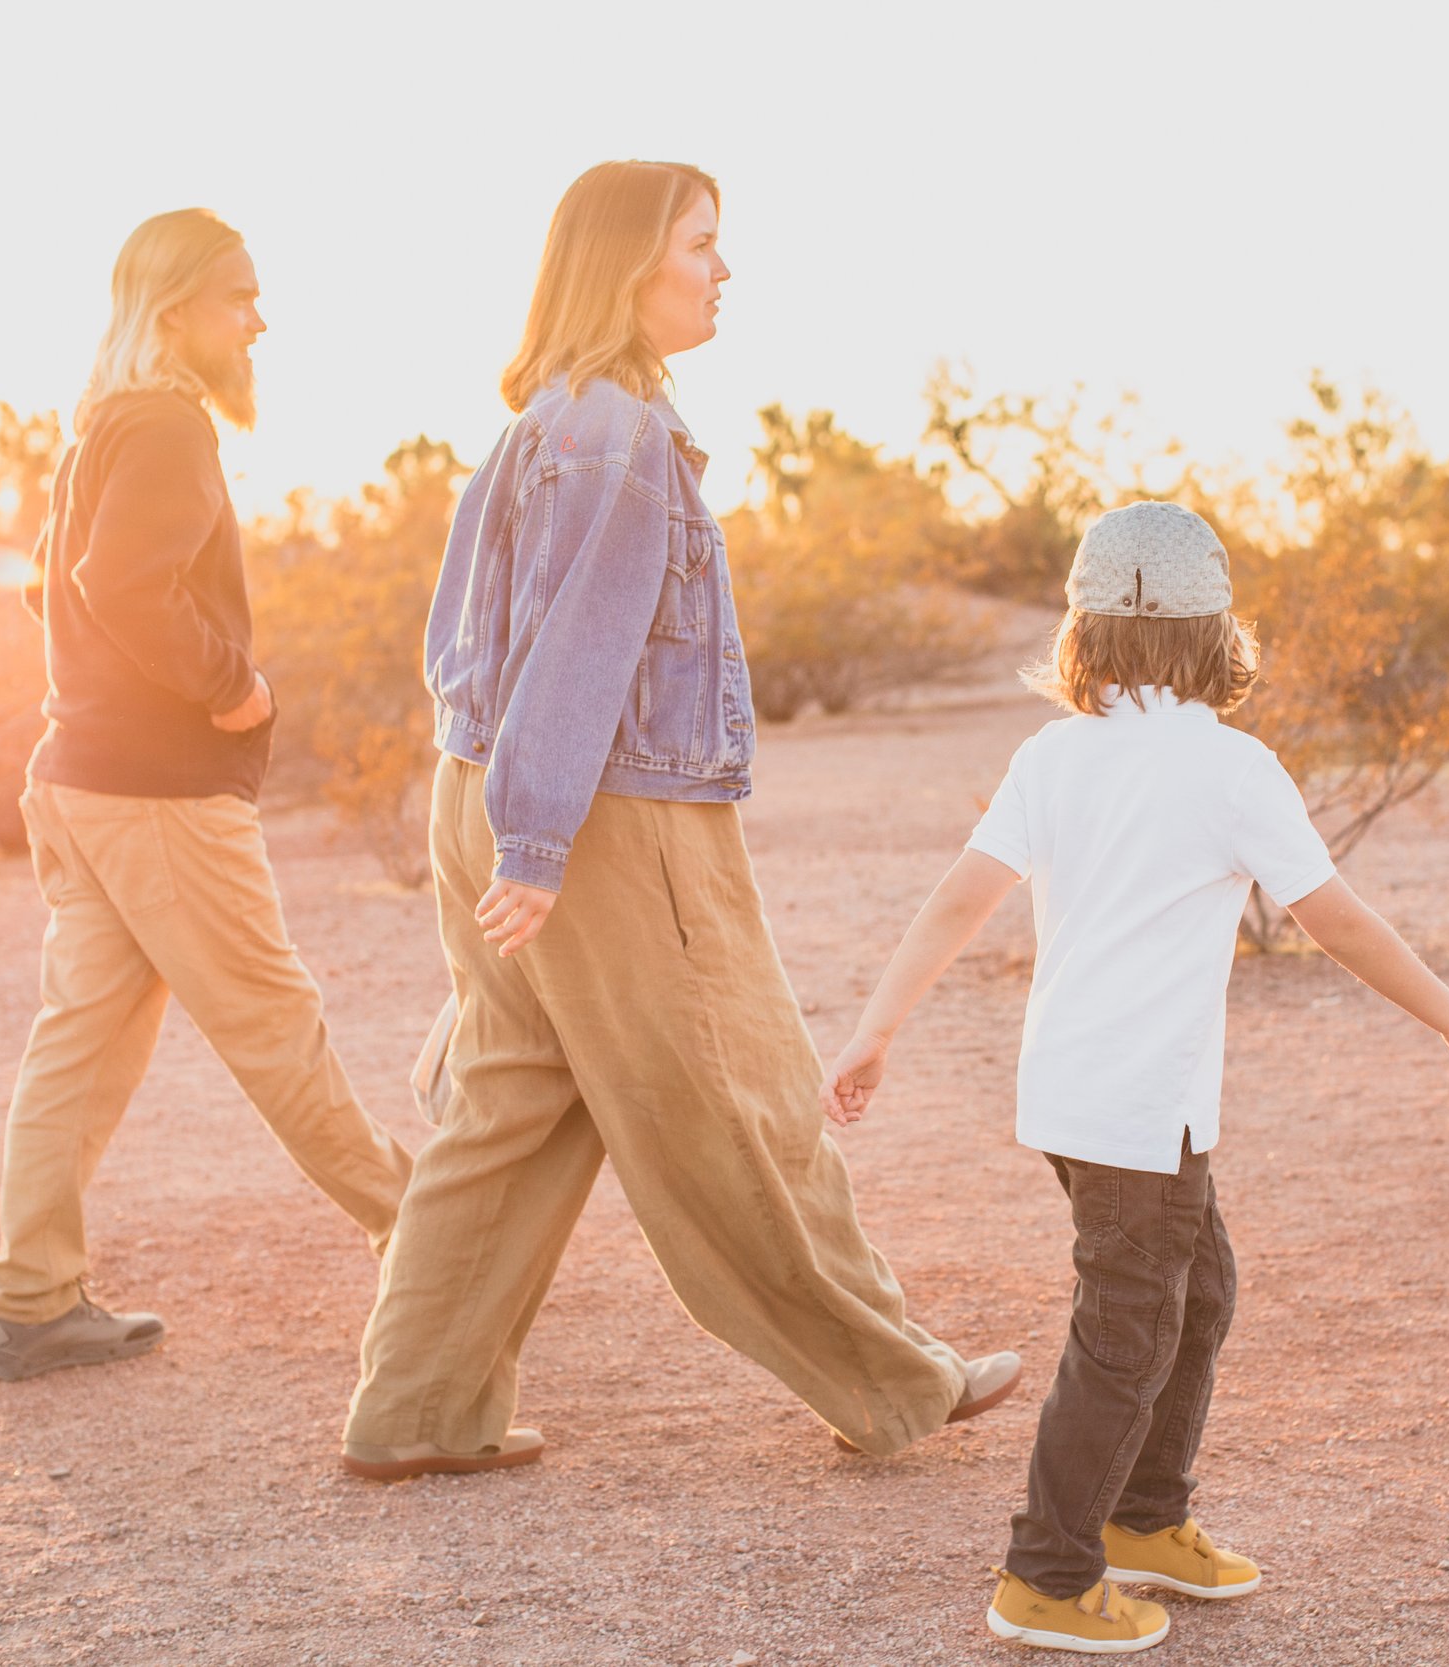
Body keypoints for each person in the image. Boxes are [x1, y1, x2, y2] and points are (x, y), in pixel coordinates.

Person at [339, 160, 1019, 1480]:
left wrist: (501, 820)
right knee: (736, 1093)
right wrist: (539, 842)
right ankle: (892, 1376)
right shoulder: (622, 437)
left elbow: (468, 643)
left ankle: (413, 1403)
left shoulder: (544, 420)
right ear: (626, 267)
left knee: (513, 1097)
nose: (721, 271)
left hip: (480, 785)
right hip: (604, 816)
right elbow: (579, 649)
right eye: (700, 246)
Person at [818, 501, 1449, 1653]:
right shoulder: (1232, 766)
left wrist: (875, 1028)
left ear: (1081, 633)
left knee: (1197, 1290)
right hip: (1135, 1102)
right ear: (1217, 635)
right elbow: (1333, 917)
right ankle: (1045, 1573)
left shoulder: (1052, 753)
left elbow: (957, 896)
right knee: (1131, 1326)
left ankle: (1143, 1518)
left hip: (1101, 1097)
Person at [0, 209, 413, 1382]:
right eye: (240, 298)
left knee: (80, 1046)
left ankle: (29, 1299)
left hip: (78, 780)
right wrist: (232, 687)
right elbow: (111, 581)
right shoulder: (166, 424)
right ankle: (433, 1239)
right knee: (276, 1024)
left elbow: (43, 590)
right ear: (177, 313)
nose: (259, 320)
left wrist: (107, 680)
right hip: (157, 793)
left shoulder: (100, 428)